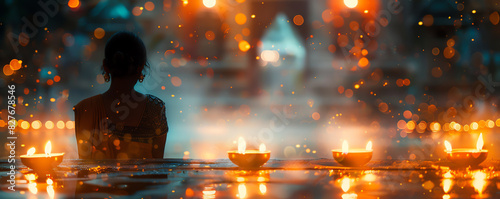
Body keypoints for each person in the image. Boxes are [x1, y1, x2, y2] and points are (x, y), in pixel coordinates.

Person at [74, 31, 168, 159]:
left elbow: (84, 170)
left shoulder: (86, 109)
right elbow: (158, 170)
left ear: (105, 66)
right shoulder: (155, 109)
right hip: (145, 180)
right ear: (140, 67)